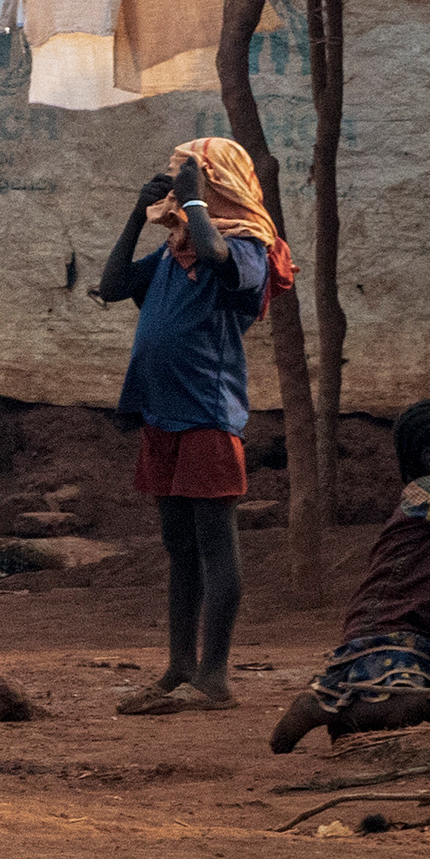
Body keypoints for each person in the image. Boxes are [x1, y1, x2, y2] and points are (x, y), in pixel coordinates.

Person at [95, 137, 283, 715]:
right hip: (162, 412)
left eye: (191, 176)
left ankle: (215, 674)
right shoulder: (175, 253)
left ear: (217, 184)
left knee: (214, 544)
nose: (179, 186)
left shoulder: (249, 244)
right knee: (180, 549)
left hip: (207, 412)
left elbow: (220, 256)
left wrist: (197, 205)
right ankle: (180, 665)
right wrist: (137, 213)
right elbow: (111, 286)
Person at [272, 399, 430, 752]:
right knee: (411, 703)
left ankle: (355, 714)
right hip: (392, 628)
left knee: (418, 703)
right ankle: (326, 711)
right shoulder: (428, 491)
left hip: (424, 630)